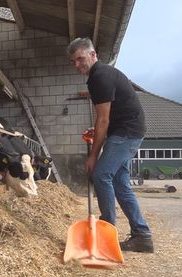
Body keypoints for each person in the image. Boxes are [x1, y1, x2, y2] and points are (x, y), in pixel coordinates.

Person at [67, 37, 154, 253]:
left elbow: (103, 120)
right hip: (125, 130)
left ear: (93, 54)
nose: (77, 65)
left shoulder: (100, 76)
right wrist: (95, 132)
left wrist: (93, 156)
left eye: (80, 59)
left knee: (100, 174)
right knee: (120, 182)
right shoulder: (99, 76)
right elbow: (105, 119)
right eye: (73, 61)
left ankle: (106, 233)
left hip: (126, 132)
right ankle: (142, 237)